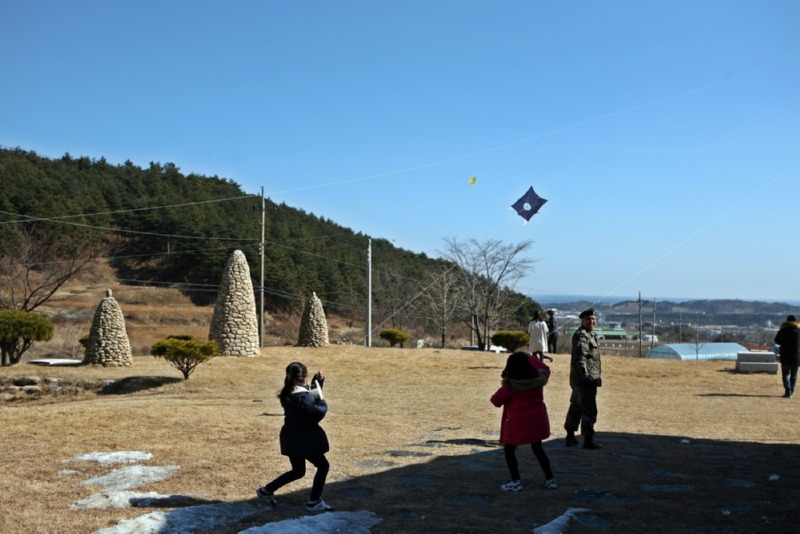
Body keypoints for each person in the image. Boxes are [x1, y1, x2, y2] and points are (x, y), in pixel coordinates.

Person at [256, 361, 333, 511]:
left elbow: (307, 399)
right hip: (304, 438)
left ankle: (266, 491)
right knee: (323, 466)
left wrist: (317, 385)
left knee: (298, 471)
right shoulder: (303, 397)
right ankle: (314, 501)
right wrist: (322, 401)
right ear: (304, 377)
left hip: (291, 437)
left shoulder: (287, 393)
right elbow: (316, 412)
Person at [491, 351, 557, 491]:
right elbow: (545, 369)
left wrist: (505, 378)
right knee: (538, 449)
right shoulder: (538, 381)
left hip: (517, 426)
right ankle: (550, 479)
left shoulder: (509, 387)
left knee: (509, 451)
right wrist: (531, 357)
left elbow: (495, 401)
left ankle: (515, 481)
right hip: (537, 423)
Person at [564, 308, 602, 449]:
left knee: (576, 407)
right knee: (588, 409)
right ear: (582, 320)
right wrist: (585, 377)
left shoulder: (590, 334)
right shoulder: (582, 336)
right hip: (585, 380)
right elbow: (581, 359)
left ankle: (570, 437)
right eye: (588, 319)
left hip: (584, 379)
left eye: (593, 319)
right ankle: (588, 440)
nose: (591, 321)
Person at [774, 314, 799, 398]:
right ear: (795, 321)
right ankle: (791, 391)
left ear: (787, 321)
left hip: (785, 355)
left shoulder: (782, 331)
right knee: (794, 374)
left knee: (785, 374)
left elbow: (777, 341)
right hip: (796, 356)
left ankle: (788, 391)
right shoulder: (799, 331)